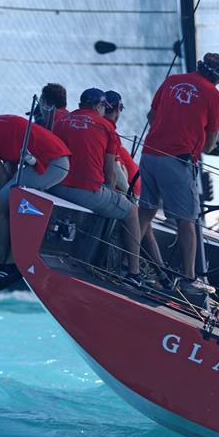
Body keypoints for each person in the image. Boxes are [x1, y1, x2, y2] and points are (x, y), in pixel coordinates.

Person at [138, 52, 219, 294]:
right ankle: (189, 279)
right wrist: (200, 146)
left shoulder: (172, 80)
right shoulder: (213, 95)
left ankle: (131, 268)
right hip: (177, 161)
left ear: (200, 66)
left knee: (145, 213)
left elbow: (152, 116)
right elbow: (211, 140)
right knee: (187, 221)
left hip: (149, 154)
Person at [0, 107, 71, 292]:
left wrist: (3, 207)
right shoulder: (2, 119)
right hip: (59, 162)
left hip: (49, 165)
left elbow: (0, 175)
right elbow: (11, 164)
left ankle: (5, 263)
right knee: (6, 204)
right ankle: (1, 262)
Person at [51, 88, 143, 287]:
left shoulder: (61, 121)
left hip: (56, 188)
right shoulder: (106, 127)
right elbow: (109, 173)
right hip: (86, 191)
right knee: (131, 212)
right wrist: (111, 195)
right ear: (100, 106)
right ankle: (133, 272)